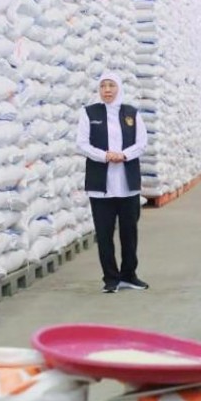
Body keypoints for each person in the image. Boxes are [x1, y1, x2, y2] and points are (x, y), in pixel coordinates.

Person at [77, 72, 150, 293]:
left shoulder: (131, 113)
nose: (107, 90)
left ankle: (129, 275)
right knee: (104, 234)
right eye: (103, 86)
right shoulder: (89, 113)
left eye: (111, 85)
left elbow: (142, 143)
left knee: (129, 233)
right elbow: (82, 144)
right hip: (101, 187)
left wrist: (124, 155)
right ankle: (110, 278)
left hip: (127, 186)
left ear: (119, 88)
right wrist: (105, 155)